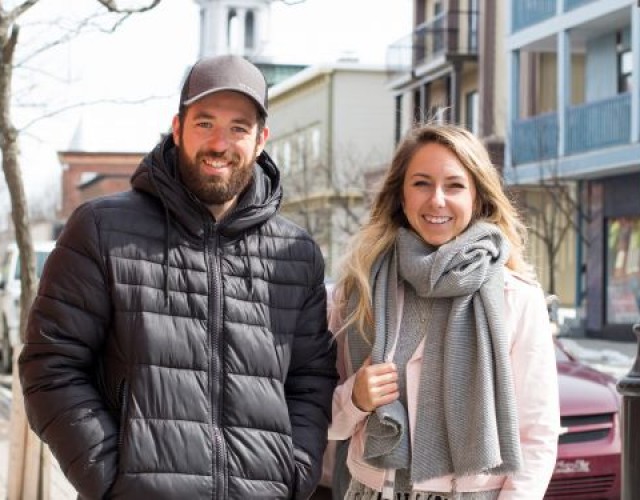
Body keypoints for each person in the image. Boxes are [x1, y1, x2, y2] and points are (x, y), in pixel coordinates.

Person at [19, 54, 338, 500]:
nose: (219, 143)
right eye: (204, 123)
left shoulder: (296, 254)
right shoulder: (101, 229)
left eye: (238, 128)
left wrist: (293, 475)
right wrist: (111, 480)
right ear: (178, 126)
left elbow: (311, 379)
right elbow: (50, 365)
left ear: (261, 139)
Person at [327, 124, 560, 499]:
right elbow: (325, 421)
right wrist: (356, 398)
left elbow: (538, 434)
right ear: (401, 196)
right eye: (421, 183)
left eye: (454, 186)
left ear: (478, 199)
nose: (437, 200)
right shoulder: (359, 291)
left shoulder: (516, 297)